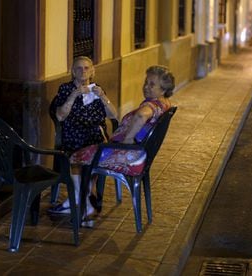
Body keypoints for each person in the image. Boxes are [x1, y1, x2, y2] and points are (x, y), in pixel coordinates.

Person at [69, 65, 175, 209]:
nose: (146, 87)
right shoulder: (164, 104)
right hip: (139, 153)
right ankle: (86, 197)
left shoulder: (152, 106)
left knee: (76, 158)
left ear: (163, 89)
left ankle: (80, 202)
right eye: (146, 82)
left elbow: (141, 115)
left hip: (128, 154)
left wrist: (127, 139)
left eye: (152, 84)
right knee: (92, 153)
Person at [48, 56, 118, 215]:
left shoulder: (97, 89)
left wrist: (103, 97)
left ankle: (78, 199)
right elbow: (60, 116)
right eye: (79, 68)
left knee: (94, 153)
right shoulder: (65, 89)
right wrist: (73, 96)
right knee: (77, 155)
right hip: (73, 133)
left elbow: (114, 115)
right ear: (73, 72)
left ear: (92, 71)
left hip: (95, 134)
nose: (83, 71)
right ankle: (85, 199)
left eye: (87, 68)